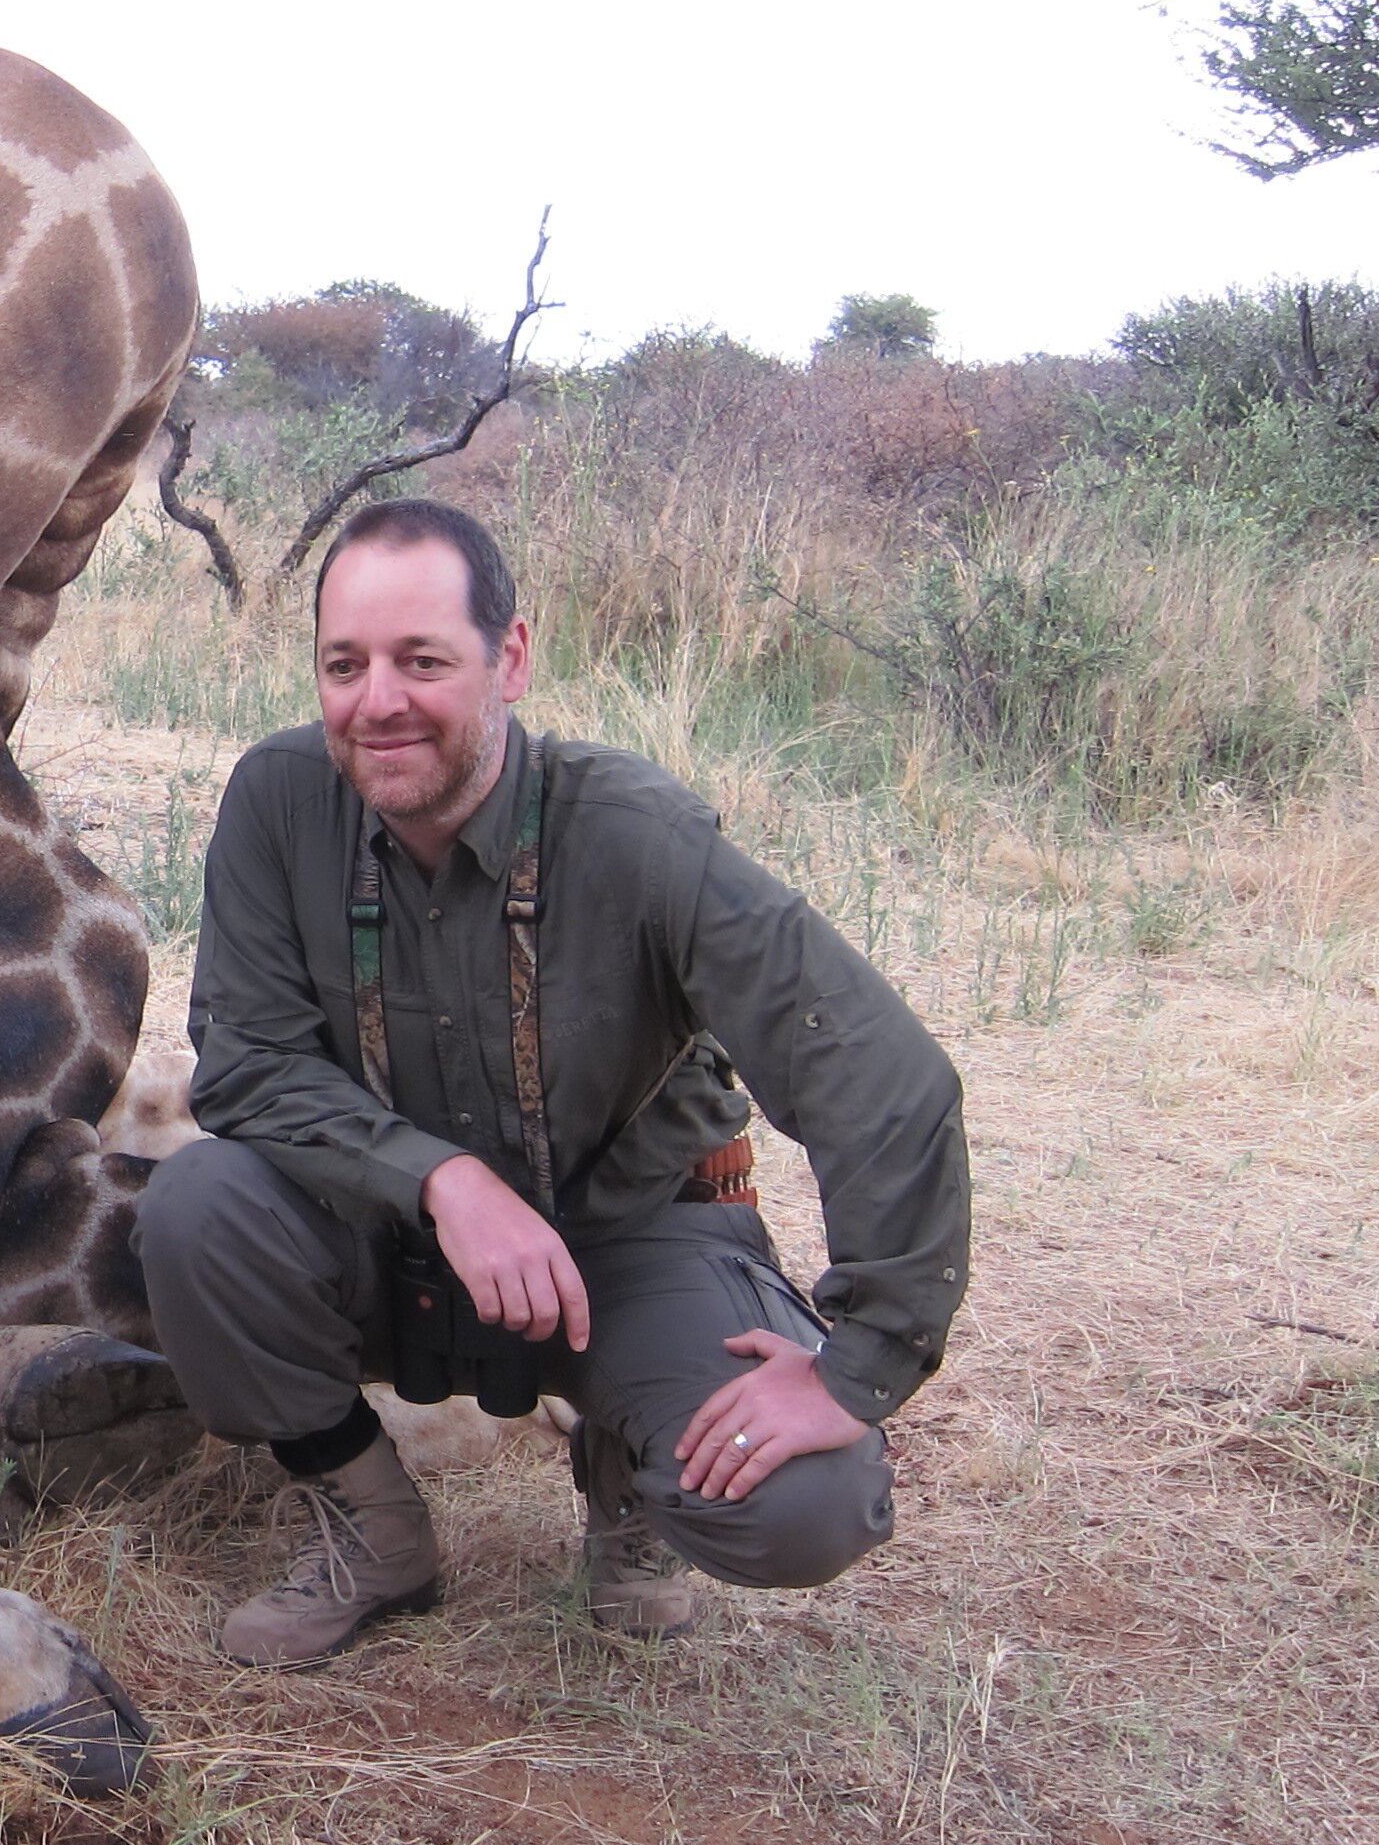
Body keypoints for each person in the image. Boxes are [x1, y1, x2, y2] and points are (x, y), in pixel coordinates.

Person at [136, 498, 969, 1663]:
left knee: (806, 1505)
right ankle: (373, 1532)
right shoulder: (277, 801)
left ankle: (632, 1480)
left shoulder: (638, 832)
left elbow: (881, 1078)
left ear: (510, 658)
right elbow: (251, 1066)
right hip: (389, 1241)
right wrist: (445, 1183)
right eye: (345, 663)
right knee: (195, 1210)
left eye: (424, 660)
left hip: (627, 1244)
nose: (379, 702)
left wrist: (862, 1360)